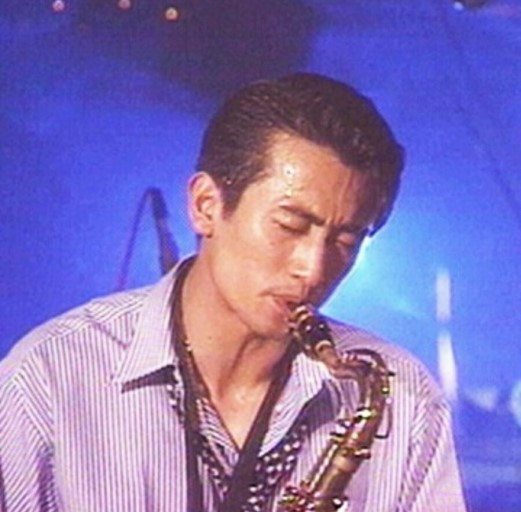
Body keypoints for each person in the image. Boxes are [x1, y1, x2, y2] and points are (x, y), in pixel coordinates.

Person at [0, 73, 466, 511]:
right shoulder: (48, 377)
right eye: (290, 225)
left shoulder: (404, 399)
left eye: (345, 241)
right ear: (205, 206)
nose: (313, 269)